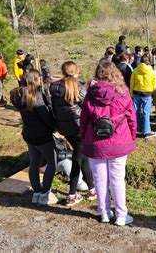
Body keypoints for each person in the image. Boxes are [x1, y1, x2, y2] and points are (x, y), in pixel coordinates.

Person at [81, 61, 137, 226]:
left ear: (97, 74)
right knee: (118, 179)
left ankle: (104, 213)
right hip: (119, 141)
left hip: (95, 142)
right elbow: (132, 118)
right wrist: (132, 136)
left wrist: (84, 137)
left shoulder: (90, 94)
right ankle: (121, 216)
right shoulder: (123, 92)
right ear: (115, 73)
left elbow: (83, 119)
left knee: (99, 179)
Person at [50, 61, 95, 206]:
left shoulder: (54, 87)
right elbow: (88, 108)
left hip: (65, 128)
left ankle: (92, 189)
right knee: (77, 159)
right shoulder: (80, 87)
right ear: (76, 71)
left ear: (62, 72)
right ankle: (71, 195)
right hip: (80, 128)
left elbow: (53, 108)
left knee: (84, 157)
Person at [10, 69, 57, 206]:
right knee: (52, 163)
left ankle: (36, 193)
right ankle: (45, 194)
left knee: (34, 163)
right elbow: (46, 117)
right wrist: (54, 126)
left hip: (28, 133)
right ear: (35, 79)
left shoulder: (17, 94)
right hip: (42, 135)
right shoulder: (36, 96)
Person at [130, 55, 156, 138]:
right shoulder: (151, 71)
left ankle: (135, 128)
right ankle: (146, 131)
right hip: (147, 93)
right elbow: (154, 82)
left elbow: (132, 83)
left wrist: (131, 93)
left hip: (136, 92)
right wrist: (151, 90)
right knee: (146, 112)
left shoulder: (135, 70)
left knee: (136, 111)